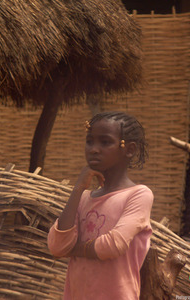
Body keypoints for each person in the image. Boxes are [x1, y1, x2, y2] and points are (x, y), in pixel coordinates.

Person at [47, 111, 153, 300]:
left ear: (129, 149)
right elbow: (56, 246)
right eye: (90, 141)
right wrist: (78, 188)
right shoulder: (84, 197)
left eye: (105, 142)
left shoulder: (138, 195)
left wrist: (73, 250)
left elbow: (113, 245)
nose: (94, 149)